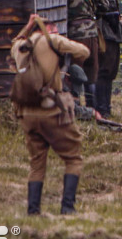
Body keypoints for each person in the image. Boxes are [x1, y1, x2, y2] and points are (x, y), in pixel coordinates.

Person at [10, 14, 90, 215]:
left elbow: (15, 41)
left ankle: (33, 210)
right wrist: (57, 42)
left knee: (37, 163)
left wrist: (28, 26)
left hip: (26, 112)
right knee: (73, 158)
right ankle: (67, 208)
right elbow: (84, 51)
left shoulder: (21, 47)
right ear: (51, 28)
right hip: (50, 109)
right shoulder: (53, 40)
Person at [92, 0, 122, 118]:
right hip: (104, 35)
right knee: (103, 72)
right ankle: (101, 109)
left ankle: (106, 107)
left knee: (110, 72)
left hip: (112, 35)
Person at [65, 0, 101, 110]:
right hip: (92, 33)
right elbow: (104, 5)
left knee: (76, 70)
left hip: (75, 34)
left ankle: (77, 107)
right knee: (91, 72)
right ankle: (93, 107)